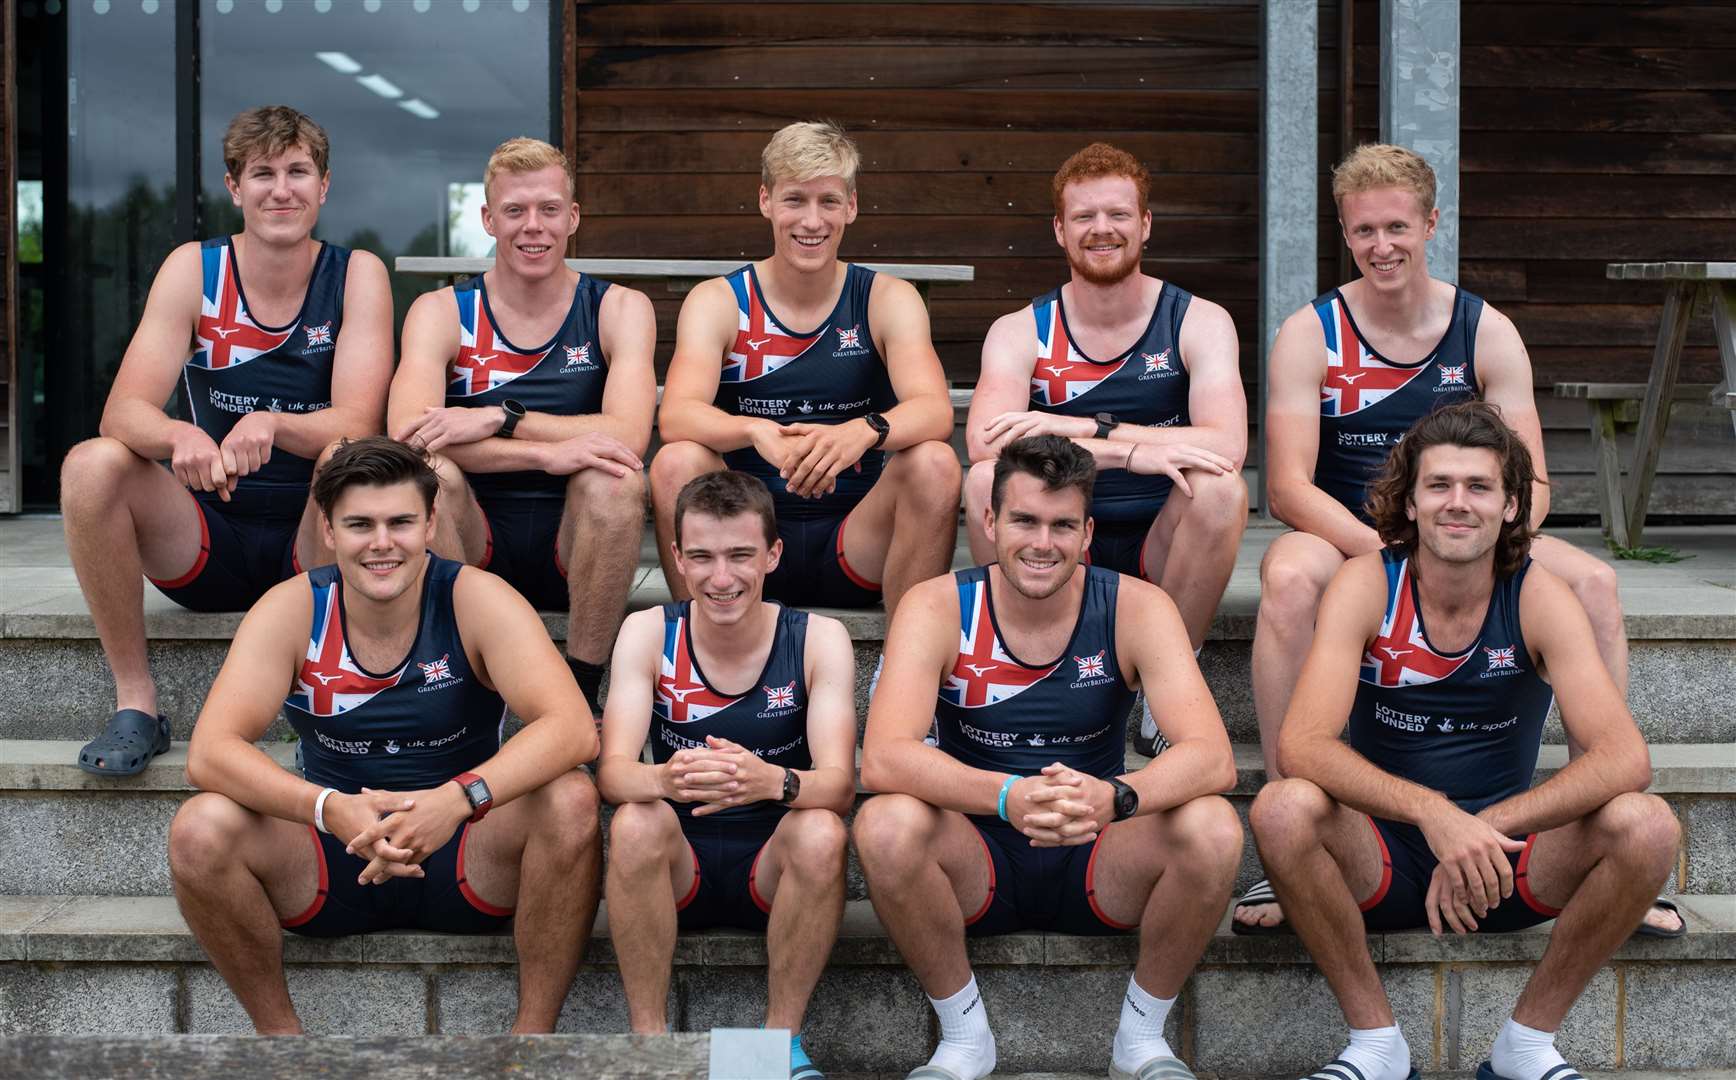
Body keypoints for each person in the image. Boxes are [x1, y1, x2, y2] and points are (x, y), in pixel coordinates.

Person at [1237, 143, 1655, 933]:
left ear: (1432, 223)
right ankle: (1288, 843)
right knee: (1289, 576)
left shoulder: (1485, 330)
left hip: (1463, 521)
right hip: (1352, 529)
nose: (1381, 246)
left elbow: (1529, 483)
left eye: (1397, 226)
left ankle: (1597, 826)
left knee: (1596, 583)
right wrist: (1395, 560)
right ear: (1345, 234)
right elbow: (1288, 485)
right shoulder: (1311, 331)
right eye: (1363, 232)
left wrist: (1475, 548)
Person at [1250, 402, 1677, 1080]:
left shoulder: (1537, 595)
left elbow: (1626, 758)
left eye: (1478, 487)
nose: (1458, 504)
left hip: (1503, 864)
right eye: (1439, 486)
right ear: (1409, 502)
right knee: (1281, 805)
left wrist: (1484, 826)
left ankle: (1527, 1047)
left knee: (1648, 826)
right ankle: (1376, 1046)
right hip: (1381, 856)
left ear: (1511, 506)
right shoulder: (1368, 584)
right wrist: (1431, 813)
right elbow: (1302, 746)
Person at [166, 437, 602, 1034]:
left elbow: (573, 728)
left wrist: (456, 800)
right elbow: (211, 753)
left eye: (400, 522)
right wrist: (327, 808)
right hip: (333, 852)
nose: (381, 543)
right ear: (327, 529)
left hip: (464, 850)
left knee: (572, 798)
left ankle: (532, 1042)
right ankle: (281, 1043)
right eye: (359, 524)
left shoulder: (475, 597)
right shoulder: (292, 608)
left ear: (429, 523)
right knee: (199, 828)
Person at [854, 435, 1242, 1080]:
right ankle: (963, 1038)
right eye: (1025, 521)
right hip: (976, 854)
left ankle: (1141, 1041)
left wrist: (1116, 795)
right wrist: (1007, 796)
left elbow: (1213, 759)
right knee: (885, 823)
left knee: (1214, 826)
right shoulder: (939, 604)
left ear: (1088, 532)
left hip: (1098, 850)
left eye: (1063, 525)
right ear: (989, 522)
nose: (1043, 542)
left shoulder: (1136, 606)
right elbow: (885, 758)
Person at [60, 105, 392, 775]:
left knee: (345, 460)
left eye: (298, 172)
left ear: (324, 186)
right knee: (92, 465)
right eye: (262, 173)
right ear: (234, 187)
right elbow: (122, 411)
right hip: (208, 534)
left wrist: (273, 423)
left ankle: (333, 704)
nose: (281, 189)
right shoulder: (194, 269)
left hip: (314, 547)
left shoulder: (357, 274)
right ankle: (136, 705)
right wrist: (178, 433)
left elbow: (359, 419)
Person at [963, 143, 1248, 756]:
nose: (1102, 230)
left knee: (1223, 488)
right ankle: (1011, 658)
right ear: (1060, 231)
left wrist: (1076, 429)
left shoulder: (1199, 320)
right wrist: (1131, 453)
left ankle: (1169, 686)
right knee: (981, 478)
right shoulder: (1020, 329)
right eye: (1084, 217)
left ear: (1144, 224)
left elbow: (1225, 441)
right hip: (1057, 537)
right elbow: (986, 438)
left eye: (1118, 214)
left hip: (1162, 540)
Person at [650, 120, 960, 629]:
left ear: (852, 207)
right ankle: (690, 643)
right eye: (795, 200)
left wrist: (863, 431)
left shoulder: (885, 298)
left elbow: (934, 409)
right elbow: (677, 413)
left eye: (829, 202)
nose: (812, 221)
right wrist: (754, 430)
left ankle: (907, 661)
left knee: (935, 463)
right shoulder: (719, 300)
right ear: (766, 201)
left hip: (855, 541)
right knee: (675, 462)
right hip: (743, 545)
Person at [598, 470, 857, 1079]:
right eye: (704, 557)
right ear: (679, 561)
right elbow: (612, 773)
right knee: (635, 820)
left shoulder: (819, 637)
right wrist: (666, 780)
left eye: (741, 555)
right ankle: (650, 1045)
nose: (722, 578)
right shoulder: (647, 630)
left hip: (774, 867)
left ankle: (777, 1047)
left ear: (772, 554)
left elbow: (840, 787)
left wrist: (773, 783)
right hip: (677, 865)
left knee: (822, 831)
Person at [391, 136, 656, 707]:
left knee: (617, 478)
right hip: (473, 535)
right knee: (430, 471)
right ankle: (458, 691)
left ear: (573, 217)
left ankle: (583, 693)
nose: (532, 226)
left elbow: (629, 435)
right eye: (514, 210)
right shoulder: (440, 312)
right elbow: (409, 436)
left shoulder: (618, 308)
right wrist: (546, 453)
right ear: (488, 218)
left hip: (575, 547)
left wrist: (497, 418)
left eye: (548, 210)